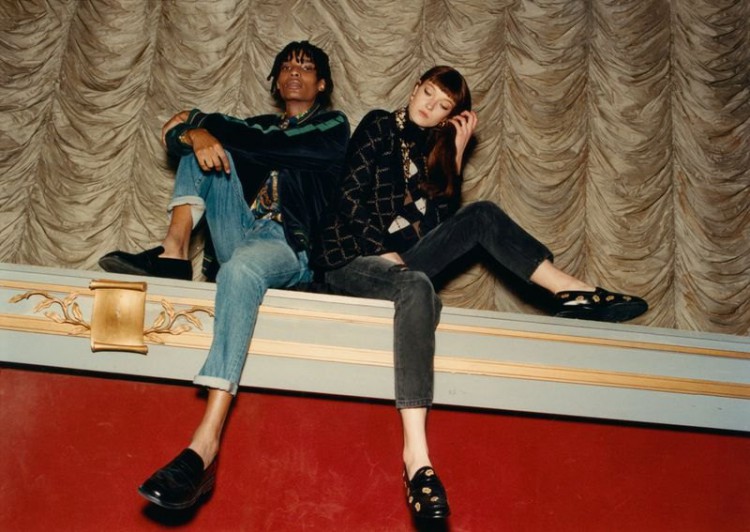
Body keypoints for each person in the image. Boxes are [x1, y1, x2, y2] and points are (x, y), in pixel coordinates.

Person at [313, 66, 647, 520]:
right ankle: (417, 457)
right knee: (416, 285)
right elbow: (349, 202)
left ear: (450, 116)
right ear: (413, 89)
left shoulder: (433, 150)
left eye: (443, 106)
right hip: (350, 259)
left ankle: (572, 292)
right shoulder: (379, 126)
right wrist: (386, 254)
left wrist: (453, 154)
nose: (429, 107)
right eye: (427, 94)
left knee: (482, 215)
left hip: (400, 263)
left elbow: (434, 226)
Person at [102, 41, 350, 510]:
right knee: (204, 149)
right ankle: (174, 252)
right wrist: (196, 134)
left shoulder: (333, 127)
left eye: (306, 67)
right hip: (239, 228)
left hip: (286, 244)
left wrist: (200, 123)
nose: (294, 72)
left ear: (321, 84)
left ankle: (205, 444)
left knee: (236, 263)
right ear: (275, 81)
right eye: (286, 66)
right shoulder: (253, 127)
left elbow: (274, 146)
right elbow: (175, 137)